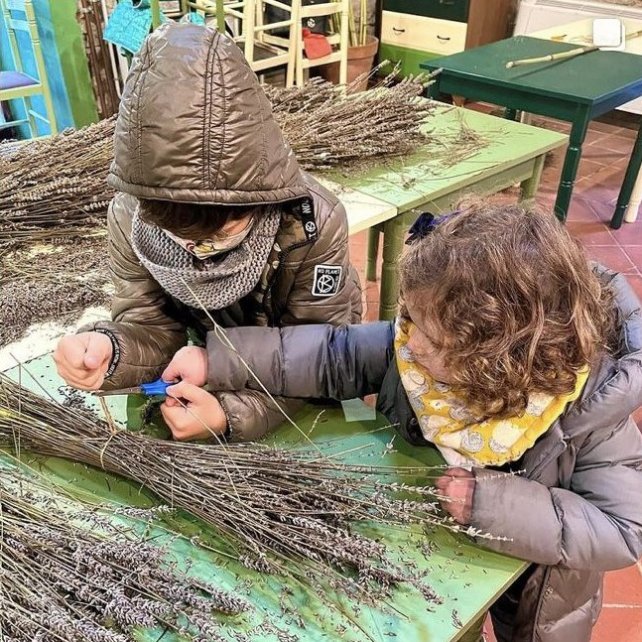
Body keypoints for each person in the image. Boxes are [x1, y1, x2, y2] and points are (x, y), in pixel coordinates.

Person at [183, 202, 642, 642]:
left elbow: (622, 528)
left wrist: (491, 503)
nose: (411, 343)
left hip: (537, 588)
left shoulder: (594, 411)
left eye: (431, 336)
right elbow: (329, 353)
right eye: (410, 318)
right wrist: (219, 359)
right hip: (430, 550)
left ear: (498, 361)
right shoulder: (416, 345)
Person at [53, 22, 361, 442]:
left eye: (220, 233)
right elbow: (149, 324)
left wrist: (230, 415)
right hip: (201, 355)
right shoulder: (130, 214)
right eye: (181, 240)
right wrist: (110, 350)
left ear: (256, 200)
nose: (199, 252)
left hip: (297, 358)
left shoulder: (311, 224)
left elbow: (317, 351)